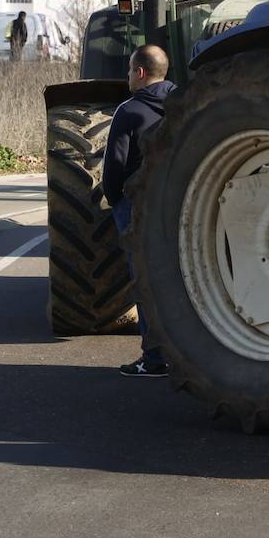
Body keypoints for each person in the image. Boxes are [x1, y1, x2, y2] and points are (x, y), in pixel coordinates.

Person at [102, 44, 176, 378]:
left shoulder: (129, 110)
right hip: (179, 201)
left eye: (131, 70)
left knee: (146, 282)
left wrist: (114, 199)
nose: (128, 76)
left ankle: (155, 358)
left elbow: (115, 165)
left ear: (141, 73)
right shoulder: (185, 102)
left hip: (138, 206)